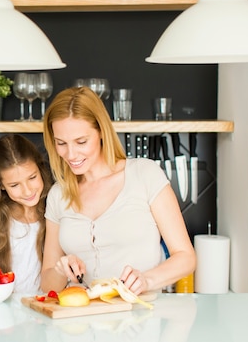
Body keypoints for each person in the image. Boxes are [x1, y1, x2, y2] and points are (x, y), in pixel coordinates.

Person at [40, 87, 196, 295]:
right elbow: (47, 284)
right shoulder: (58, 195)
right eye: (61, 143)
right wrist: (61, 270)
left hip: (140, 321)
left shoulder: (144, 175)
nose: (71, 154)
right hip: (78, 322)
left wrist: (147, 280)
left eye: (81, 142)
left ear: (101, 133)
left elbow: (186, 257)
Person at [0, 134, 53, 294]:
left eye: (32, 177)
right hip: (2, 316)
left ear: (40, 169)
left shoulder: (54, 218)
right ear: (1, 186)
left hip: (46, 311)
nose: (27, 191)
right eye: (14, 185)